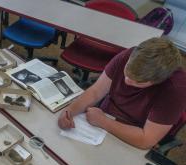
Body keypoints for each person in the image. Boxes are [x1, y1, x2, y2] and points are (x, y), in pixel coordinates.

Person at [58, 37, 186, 149]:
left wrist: (103, 122)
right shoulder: (130, 55)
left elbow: (146, 139)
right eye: (127, 72)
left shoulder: (175, 88)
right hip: (102, 118)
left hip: (132, 133)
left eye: (138, 82)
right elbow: (96, 92)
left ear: (158, 81)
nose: (127, 81)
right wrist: (69, 111)